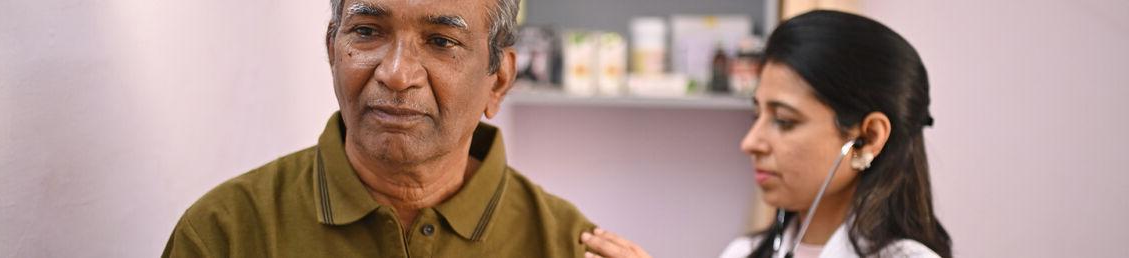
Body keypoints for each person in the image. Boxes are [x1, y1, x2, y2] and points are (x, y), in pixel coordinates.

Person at [162, 0, 597, 257]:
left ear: (498, 79)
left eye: (441, 41)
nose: (396, 72)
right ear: (333, 50)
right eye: (367, 31)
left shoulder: (565, 244)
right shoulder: (228, 232)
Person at [581, 10, 952, 258]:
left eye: (785, 121)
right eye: (756, 115)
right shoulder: (744, 252)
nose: (750, 143)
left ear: (868, 138)